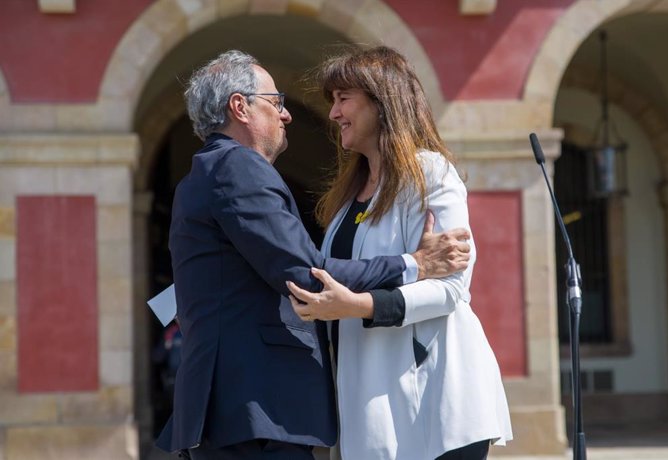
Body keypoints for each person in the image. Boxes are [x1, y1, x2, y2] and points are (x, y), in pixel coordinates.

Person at [155, 49, 472, 460]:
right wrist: (415, 264)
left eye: (343, 99)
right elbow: (308, 275)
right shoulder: (238, 167)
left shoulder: (202, 174)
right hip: (256, 406)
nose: (287, 115)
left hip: (244, 406)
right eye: (276, 102)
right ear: (240, 107)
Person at [286, 46, 513, 460]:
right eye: (332, 101)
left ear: (382, 101)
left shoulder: (431, 174)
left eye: (343, 99)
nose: (333, 113)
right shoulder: (347, 197)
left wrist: (359, 305)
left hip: (435, 397)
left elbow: (450, 289)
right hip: (364, 390)